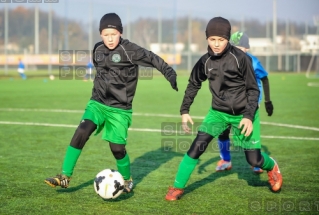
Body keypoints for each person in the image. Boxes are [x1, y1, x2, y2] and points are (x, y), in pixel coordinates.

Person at [44, 13, 178, 192]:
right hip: (97, 103)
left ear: (120, 33)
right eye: (106, 35)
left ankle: (127, 179)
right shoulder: (98, 49)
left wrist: (170, 74)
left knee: (117, 149)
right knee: (82, 131)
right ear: (100, 34)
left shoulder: (130, 50)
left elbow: (153, 58)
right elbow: (100, 71)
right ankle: (65, 176)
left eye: (113, 34)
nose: (110, 39)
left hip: (119, 109)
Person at [165, 17, 282, 201]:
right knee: (197, 146)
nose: (217, 44)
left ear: (227, 39)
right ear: (207, 39)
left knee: (254, 160)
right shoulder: (204, 61)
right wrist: (185, 110)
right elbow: (193, 84)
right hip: (217, 113)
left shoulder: (241, 58)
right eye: (212, 39)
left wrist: (249, 116)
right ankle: (177, 187)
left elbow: (253, 89)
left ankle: (272, 166)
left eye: (221, 39)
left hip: (244, 114)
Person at [216, 31, 274, 174]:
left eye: (239, 48)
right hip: (230, 103)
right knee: (223, 132)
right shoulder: (226, 60)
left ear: (246, 49)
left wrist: (267, 101)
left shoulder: (253, 62)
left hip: (249, 104)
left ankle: (257, 162)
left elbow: (265, 79)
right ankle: (225, 160)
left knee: (249, 134)